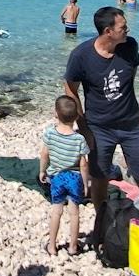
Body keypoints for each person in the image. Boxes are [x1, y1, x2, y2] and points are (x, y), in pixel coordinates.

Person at [63, 5, 139, 215]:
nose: (127, 29)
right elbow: (70, 88)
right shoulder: (81, 56)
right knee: (100, 176)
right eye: (123, 26)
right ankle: (101, 221)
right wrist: (84, 127)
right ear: (108, 32)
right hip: (99, 128)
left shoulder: (130, 46)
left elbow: (131, 73)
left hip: (131, 124)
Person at [38, 95, 90, 256]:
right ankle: (73, 247)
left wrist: (42, 170)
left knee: (56, 211)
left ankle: (52, 246)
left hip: (57, 177)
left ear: (55, 114)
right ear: (75, 117)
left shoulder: (50, 134)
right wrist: (86, 182)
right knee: (74, 213)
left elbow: (44, 154)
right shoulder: (79, 139)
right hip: (74, 178)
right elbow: (83, 164)